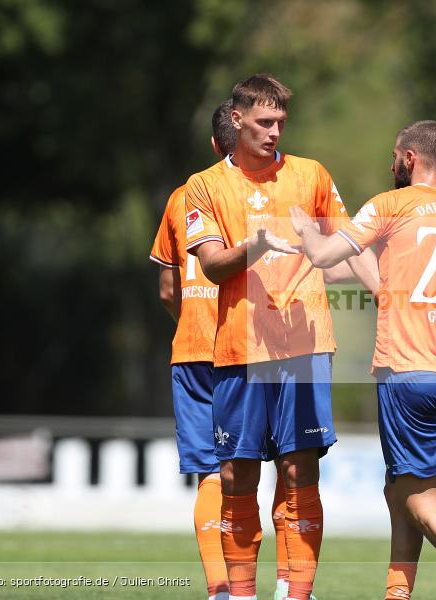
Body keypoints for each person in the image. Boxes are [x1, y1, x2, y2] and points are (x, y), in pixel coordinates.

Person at [289, 120, 436, 600]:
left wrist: (306, 231)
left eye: (395, 155)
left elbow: (327, 255)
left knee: (420, 499)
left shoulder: (390, 205)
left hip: (406, 372)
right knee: (401, 490)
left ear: (410, 158)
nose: (391, 163)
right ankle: (398, 593)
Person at [185, 73, 377, 600]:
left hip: (304, 345)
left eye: (281, 123)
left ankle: (298, 593)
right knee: (236, 476)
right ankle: (240, 593)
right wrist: (259, 244)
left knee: (299, 471)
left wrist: (389, 297)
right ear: (236, 119)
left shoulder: (311, 174)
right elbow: (211, 268)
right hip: (237, 348)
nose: (274, 133)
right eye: (264, 122)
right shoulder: (203, 186)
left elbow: (346, 248)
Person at [149, 100, 238, 600]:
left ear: (212, 145)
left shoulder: (182, 196)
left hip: (192, 347)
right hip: (244, 346)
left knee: (209, 472)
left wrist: (189, 322)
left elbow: (166, 288)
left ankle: (220, 588)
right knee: (248, 468)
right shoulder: (258, 194)